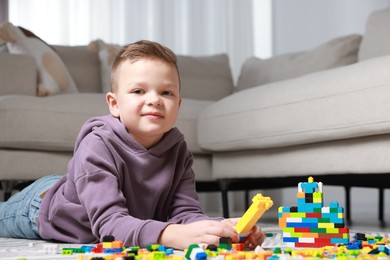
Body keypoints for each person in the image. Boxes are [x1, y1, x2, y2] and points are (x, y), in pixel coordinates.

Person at [0, 40, 265, 250]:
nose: (154, 100)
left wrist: (223, 228)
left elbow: (185, 212)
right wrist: (168, 234)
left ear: (178, 105)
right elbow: (109, 225)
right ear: (114, 104)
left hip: (85, 186)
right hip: (41, 207)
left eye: (166, 92)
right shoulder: (97, 144)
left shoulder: (178, 148)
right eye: (139, 91)